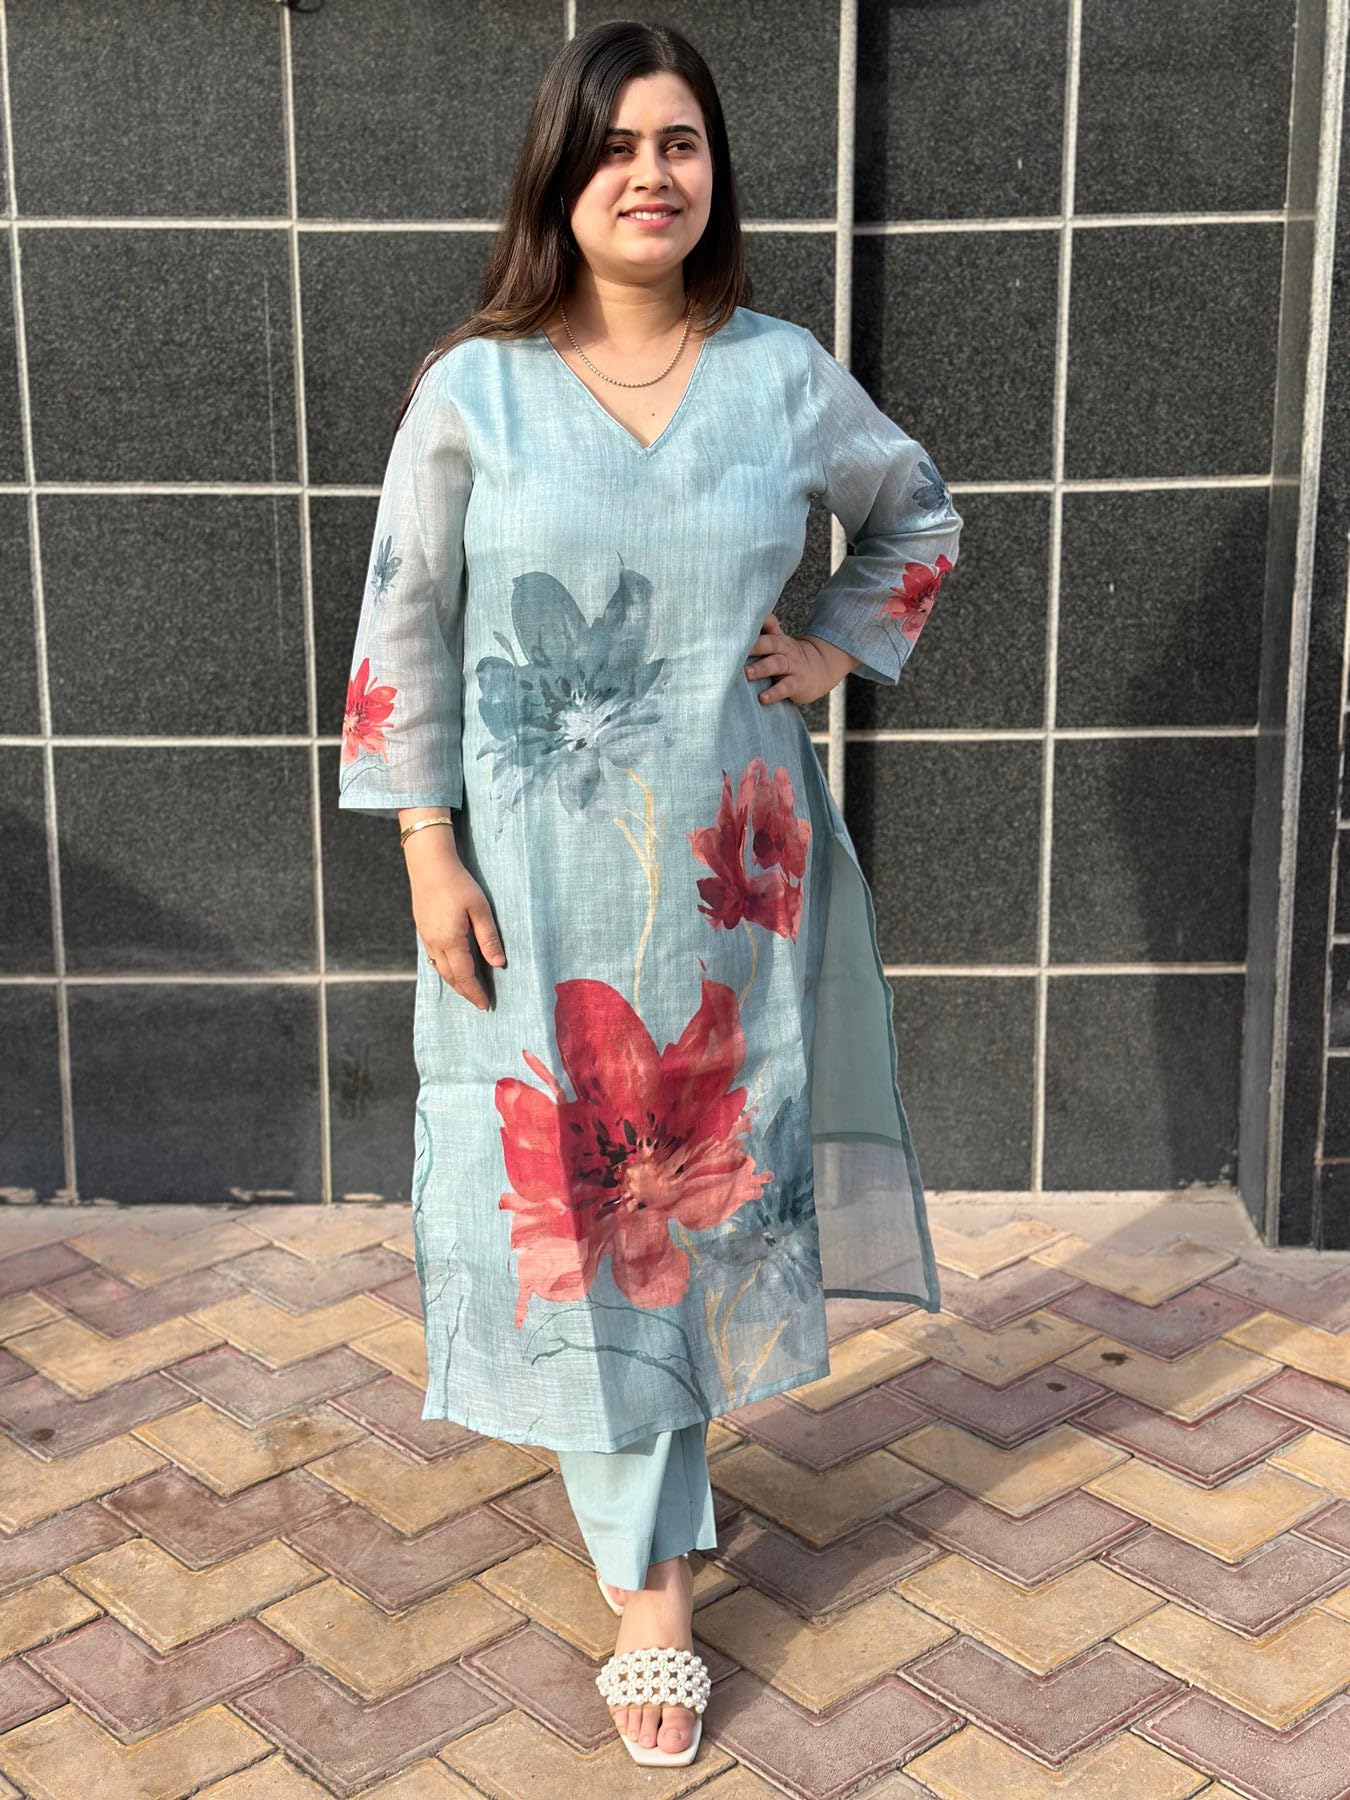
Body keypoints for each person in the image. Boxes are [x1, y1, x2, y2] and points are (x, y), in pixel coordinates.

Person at [336, 18, 962, 1770]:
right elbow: (404, 618)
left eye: (678, 143)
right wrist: (425, 845)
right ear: (561, 175)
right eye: (614, 145)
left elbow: (917, 516)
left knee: (684, 1196)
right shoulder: (477, 389)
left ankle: (654, 1536)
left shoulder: (779, 375)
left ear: (714, 174)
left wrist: (834, 646)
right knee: (578, 1199)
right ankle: (655, 1572)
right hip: (530, 887)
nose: (649, 175)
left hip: (724, 882)